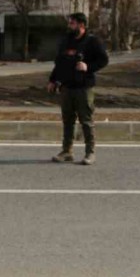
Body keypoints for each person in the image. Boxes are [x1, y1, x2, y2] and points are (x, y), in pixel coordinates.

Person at [46, 12, 109, 165]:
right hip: (67, 87)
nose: (70, 26)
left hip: (83, 87)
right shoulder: (66, 41)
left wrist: (88, 67)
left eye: (72, 23)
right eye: (70, 23)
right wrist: (53, 80)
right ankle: (67, 151)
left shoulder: (92, 41)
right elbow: (59, 63)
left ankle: (90, 152)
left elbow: (104, 60)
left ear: (81, 25)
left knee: (86, 121)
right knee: (68, 121)